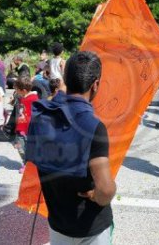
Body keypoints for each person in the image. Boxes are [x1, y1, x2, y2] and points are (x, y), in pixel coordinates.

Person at [26, 51, 116, 244]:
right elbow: (106, 191)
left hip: (58, 222)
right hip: (91, 226)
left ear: (65, 78)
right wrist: (95, 194)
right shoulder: (93, 126)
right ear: (95, 85)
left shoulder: (41, 115)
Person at [13, 76, 38, 174]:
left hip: (29, 129)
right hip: (21, 128)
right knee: (21, 147)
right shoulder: (24, 98)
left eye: (17, 90)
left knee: (27, 148)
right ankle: (26, 163)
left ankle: (29, 164)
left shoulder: (33, 99)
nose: (16, 92)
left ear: (23, 90)